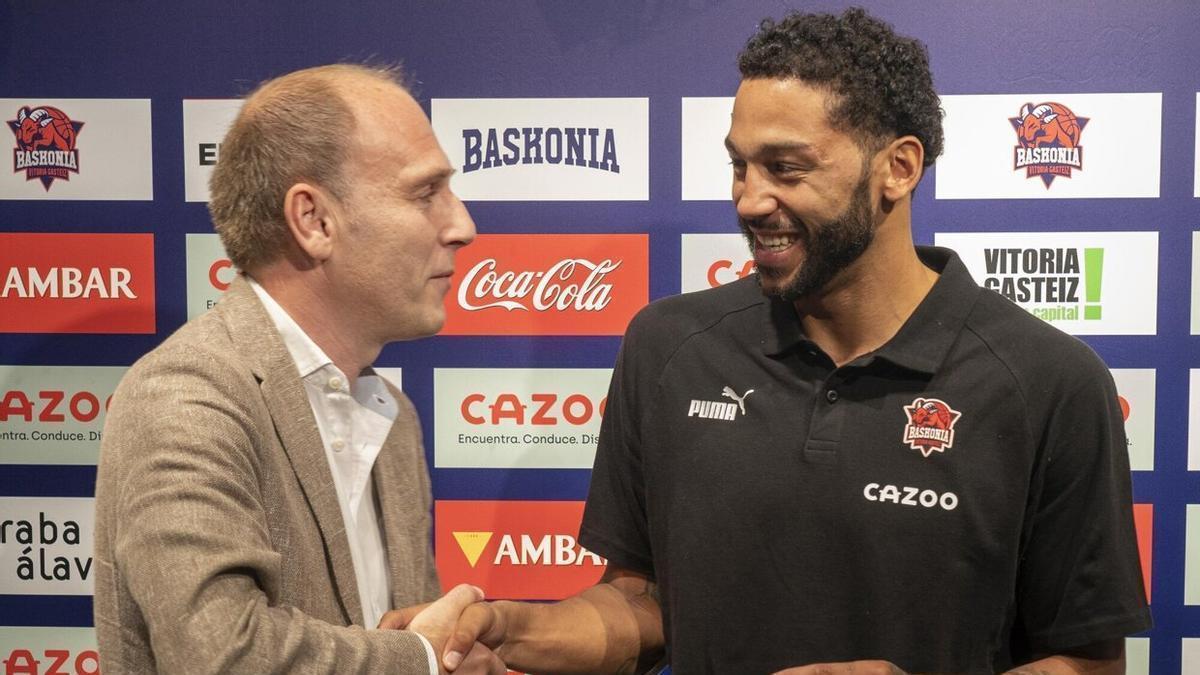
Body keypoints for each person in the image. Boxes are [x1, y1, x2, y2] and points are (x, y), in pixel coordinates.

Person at [400, 9, 1151, 674]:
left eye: (785, 168)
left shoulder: (1051, 381)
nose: (749, 199)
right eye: (739, 165)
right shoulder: (667, 347)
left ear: (898, 168)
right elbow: (643, 610)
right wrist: (510, 627)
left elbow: (1088, 660)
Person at [92, 64, 504, 674]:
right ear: (313, 221)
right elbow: (221, 656)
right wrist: (427, 660)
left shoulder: (395, 415)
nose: (462, 226)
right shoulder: (185, 396)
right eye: (425, 193)